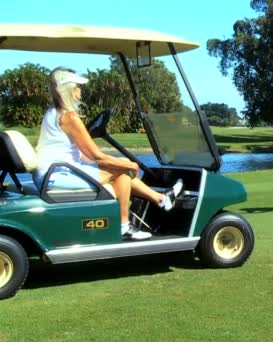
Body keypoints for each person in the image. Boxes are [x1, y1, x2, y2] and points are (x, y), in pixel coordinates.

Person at [33, 67, 183, 240]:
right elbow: (95, 155)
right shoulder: (69, 117)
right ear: (68, 89)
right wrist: (129, 164)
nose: (81, 90)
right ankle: (124, 226)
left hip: (53, 173)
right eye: (78, 87)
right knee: (125, 172)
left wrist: (119, 163)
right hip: (58, 176)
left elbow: (83, 155)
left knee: (121, 170)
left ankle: (162, 200)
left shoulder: (52, 113)